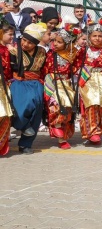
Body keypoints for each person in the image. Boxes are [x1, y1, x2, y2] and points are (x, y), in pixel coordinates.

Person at [43, 26, 84, 149]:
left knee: (67, 109)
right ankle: (56, 128)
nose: (55, 43)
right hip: (52, 83)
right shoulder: (50, 53)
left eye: (59, 42)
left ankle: (63, 138)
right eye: (55, 41)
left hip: (66, 84)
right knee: (55, 106)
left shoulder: (72, 55)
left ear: (67, 44)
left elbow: (77, 66)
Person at [9, 23, 47, 154]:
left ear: (36, 43)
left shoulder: (42, 51)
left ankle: (26, 144)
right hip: (19, 83)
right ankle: (24, 126)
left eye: (30, 43)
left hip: (36, 83)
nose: (25, 44)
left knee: (36, 111)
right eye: (24, 40)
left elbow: (44, 69)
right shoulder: (13, 49)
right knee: (19, 110)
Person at [0, 22, 13, 156]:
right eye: (10, 34)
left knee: (5, 115)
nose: (12, 37)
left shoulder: (9, 50)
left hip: (5, 85)